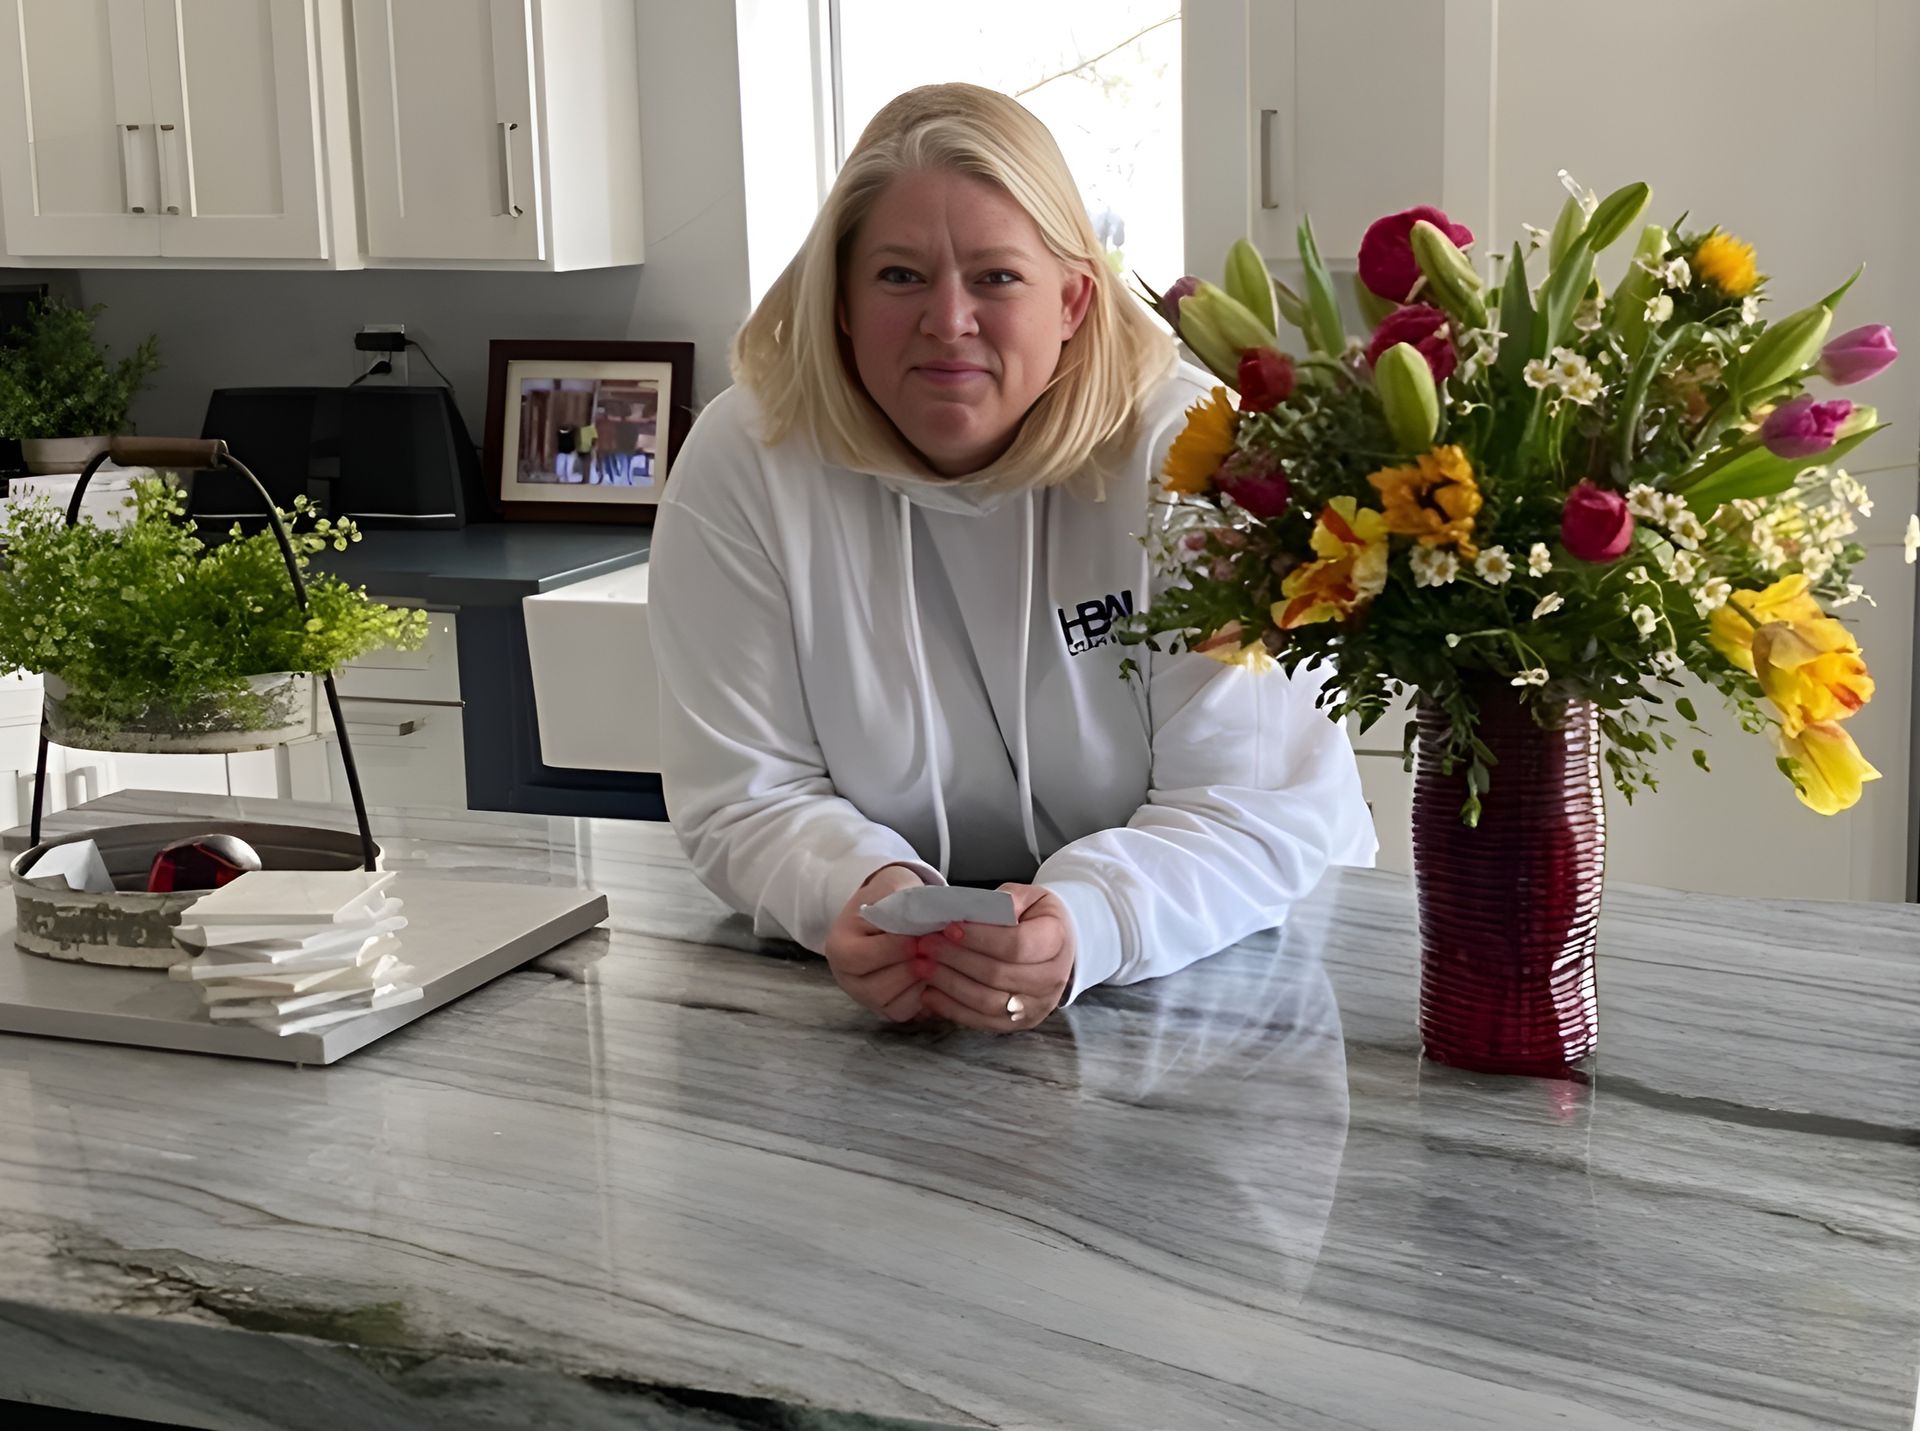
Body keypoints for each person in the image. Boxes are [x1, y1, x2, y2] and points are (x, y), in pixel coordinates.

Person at [650, 84, 1375, 1033]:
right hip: (898, 1000)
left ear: (1074, 299)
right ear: (838, 300)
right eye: (900, 277)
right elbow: (744, 794)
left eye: (995, 278)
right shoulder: (751, 457)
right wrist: (856, 890)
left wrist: (1091, 920)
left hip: (1223, 975)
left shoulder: (1192, 452)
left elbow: (1247, 808)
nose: (947, 321)